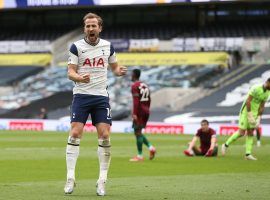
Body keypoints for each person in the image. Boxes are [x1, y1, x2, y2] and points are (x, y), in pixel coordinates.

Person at [64, 12, 127, 196]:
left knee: (105, 136)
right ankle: (70, 177)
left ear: (100, 28)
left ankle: (102, 181)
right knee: (75, 133)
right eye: (88, 26)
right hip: (81, 96)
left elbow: (114, 67)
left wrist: (118, 70)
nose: (91, 29)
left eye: (94, 26)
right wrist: (79, 78)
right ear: (85, 28)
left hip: (101, 97)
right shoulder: (76, 47)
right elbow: (70, 72)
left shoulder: (108, 46)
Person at [222, 78, 270, 160]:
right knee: (241, 133)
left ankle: (248, 154)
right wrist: (249, 114)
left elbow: (262, 106)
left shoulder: (268, 93)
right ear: (267, 82)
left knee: (251, 132)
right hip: (245, 111)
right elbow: (248, 101)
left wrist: (259, 118)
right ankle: (225, 145)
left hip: (254, 113)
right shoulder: (256, 88)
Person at [129, 69, 156, 162]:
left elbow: (136, 101)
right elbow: (149, 99)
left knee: (137, 132)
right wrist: (147, 109)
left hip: (139, 112)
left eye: (131, 74)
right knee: (138, 132)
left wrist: (134, 113)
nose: (130, 76)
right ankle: (151, 148)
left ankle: (140, 155)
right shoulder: (145, 85)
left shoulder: (134, 86)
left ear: (134, 75)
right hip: (146, 111)